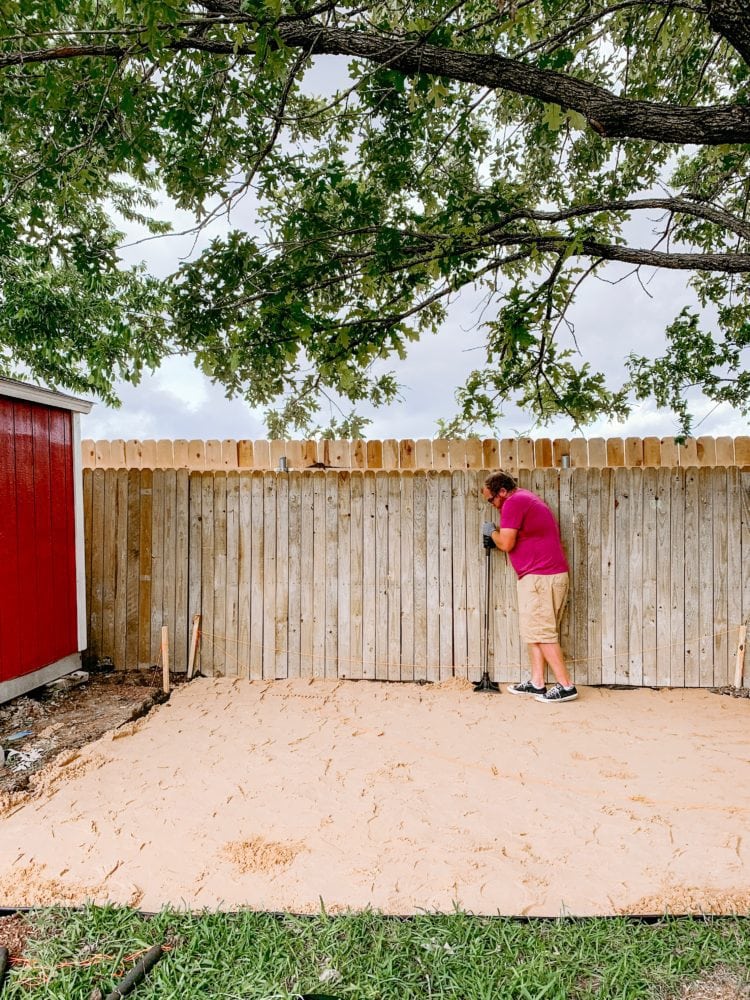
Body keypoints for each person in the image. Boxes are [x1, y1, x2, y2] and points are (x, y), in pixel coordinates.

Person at [481, 471, 578, 703]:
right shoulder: (523, 499)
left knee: (542, 632)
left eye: (491, 499)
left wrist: (491, 533)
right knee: (533, 631)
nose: (492, 505)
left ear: (502, 492)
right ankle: (537, 683)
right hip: (538, 576)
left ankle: (566, 686)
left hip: (540, 577)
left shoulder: (514, 502)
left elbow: (505, 542)